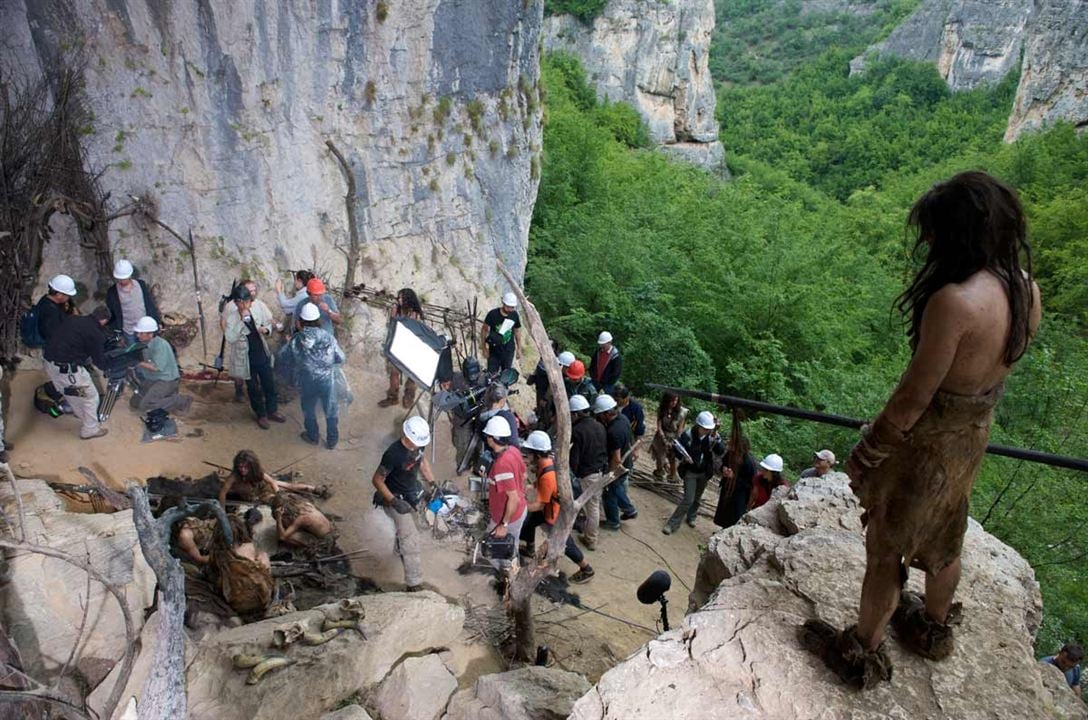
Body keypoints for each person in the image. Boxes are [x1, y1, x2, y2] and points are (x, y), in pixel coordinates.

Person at [801, 171, 1042, 690]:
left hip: (926, 444)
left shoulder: (956, 302)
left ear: (958, 234)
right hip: (972, 435)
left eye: (934, 232)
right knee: (946, 534)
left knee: (887, 547)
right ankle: (932, 626)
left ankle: (861, 648)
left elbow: (916, 395)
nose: (927, 242)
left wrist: (869, 449)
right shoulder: (1026, 290)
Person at [519, 431, 595, 583]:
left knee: (564, 543)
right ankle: (530, 547)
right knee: (528, 522)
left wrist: (520, 506)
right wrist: (530, 486)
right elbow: (541, 483)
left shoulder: (547, 474)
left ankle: (586, 568)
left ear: (537, 454)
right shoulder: (546, 462)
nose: (527, 456)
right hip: (550, 506)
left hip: (554, 513)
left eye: (529, 453)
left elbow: (539, 505)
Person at [372, 416, 435, 591]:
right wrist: (393, 501)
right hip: (392, 497)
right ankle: (414, 583)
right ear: (407, 436)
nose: (418, 446)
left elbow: (422, 462)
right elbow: (377, 480)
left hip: (410, 493)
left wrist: (432, 483)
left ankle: (398, 551)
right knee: (410, 537)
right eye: (415, 442)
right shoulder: (393, 454)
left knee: (414, 527)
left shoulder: (418, 445)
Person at [43, 306, 112, 440]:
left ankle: (84, 417)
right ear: (104, 321)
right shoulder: (95, 333)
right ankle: (90, 430)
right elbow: (99, 361)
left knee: (71, 393)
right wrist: (109, 365)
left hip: (50, 364)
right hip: (69, 371)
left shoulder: (73, 319)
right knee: (91, 397)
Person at [283, 302, 345, 449]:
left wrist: (289, 344)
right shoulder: (328, 337)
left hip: (307, 381)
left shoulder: (297, 340)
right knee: (330, 408)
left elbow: (284, 357)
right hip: (326, 380)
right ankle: (332, 440)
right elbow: (341, 357)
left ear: (301, 320)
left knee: (308, 409)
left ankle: (313, 436)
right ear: (318, 320)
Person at [225, 286, 285, 429]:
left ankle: (272, 410)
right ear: (238, 302)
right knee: (253, 388)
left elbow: (269, 322)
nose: (250, 304)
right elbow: (230, 337)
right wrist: (241, 321)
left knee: (269, 384)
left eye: (249, 301)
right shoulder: (232, 317)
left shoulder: (256, 309)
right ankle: (261, 414)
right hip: (245, 358)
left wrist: (265, 329)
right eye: (246, 302)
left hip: (261, 353)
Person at [662, 411, 724, 534]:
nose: (706, 431)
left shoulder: (712, 437)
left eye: (708, 429)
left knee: (697, 498)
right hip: (690, 471)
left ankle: (692, 516)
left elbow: (720, 451)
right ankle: (672, 523)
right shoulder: (688, 435)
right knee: (688, 499)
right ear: (698, 426)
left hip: (704, 471)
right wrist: (683, 457)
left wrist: (717, 439)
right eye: (704, 429)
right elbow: (677, 448)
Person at [482, 416, 528, 562]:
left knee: (498, 553)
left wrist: (503, 524)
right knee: (510, 547)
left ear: (491, 438)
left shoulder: (502, 464)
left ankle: (508, 578)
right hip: (519, 509)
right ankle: (512, 572)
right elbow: (524, 475)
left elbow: (512, 498)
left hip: (508, 516)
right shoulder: (513, 450)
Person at [34, 274, 79, 411]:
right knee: (68, 379)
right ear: (58, 294)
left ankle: (53, 393)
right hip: (56, 353)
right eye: (66, 295)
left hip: (52, 350)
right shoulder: (50, 311)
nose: (68, 298)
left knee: (65, 378)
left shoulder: (47, 302)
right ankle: (65, 405)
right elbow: (56, 335)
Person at [569, 394, 608, 551]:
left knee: (589, 506)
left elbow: (575, 458)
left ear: (576, 413)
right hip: (599, 469)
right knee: (594, 505)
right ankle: (589, 535)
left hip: (587, 473)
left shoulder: (578, 430)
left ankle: (591, 538)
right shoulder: (599, 426)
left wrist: (574, 473)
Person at [131, 316, 191, 414]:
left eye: (141, 333)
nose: (138, 335)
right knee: (135, 403)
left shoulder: (160, 345)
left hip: (166, 380)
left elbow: (156, 367)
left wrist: (138, 363)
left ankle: (181, 400)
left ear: (150, 334)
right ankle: (167, 397)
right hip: (152, 378)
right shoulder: (144, 343)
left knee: (146, 406)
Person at [218, 449, 320, 507]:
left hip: (264, 487)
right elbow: (223, 493)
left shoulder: (257, 472)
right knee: (273, 501)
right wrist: (222, 510)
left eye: (246, 467)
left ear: (252, 466)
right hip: (256, 497)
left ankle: (314, 488)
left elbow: (271, 482)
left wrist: (279, 495)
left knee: (289, 486)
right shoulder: (234, 476)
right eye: (240, 467)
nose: (243, 470)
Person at [595, 394, 638, 530]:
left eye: (601, 414)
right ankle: (628, 510)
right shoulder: (623, 419)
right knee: (617, 489)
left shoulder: (613, 431)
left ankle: (614, 522)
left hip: (618, 466)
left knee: (610, 493)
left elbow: (616, 457)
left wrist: (610, 475)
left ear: (607, 413)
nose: (600, 417)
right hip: (626, 464)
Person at [379, 288, 424, 408]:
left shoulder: (415, 314)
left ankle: (409, 395)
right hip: (397, 345)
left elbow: (416, 332)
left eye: (401, 298)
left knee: (412, 376)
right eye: (398, 297)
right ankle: (392, 397)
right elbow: (392, 326)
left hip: (411, 347)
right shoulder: (396, 310)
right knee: (394, 373)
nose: (398, 300)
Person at [106, 259, 161, 344]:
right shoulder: (112, 293)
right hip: (129, 331)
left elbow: (150, 305)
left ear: (130, 275)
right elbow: (112, 315)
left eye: (124, 278)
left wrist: (157, 322)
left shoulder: (141, 285)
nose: (122, 280)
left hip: (145, 329)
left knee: (149, 351)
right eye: (120, 278)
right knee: (134, 354)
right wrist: (118, 334)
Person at [714, 430, 757, 529]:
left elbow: (750, 484)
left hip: (739, 494)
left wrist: (734, 478)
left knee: (734, 515)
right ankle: (722, 530)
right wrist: (723, 469)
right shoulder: (730, 454)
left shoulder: (749, 463)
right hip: (727, 488)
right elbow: (723, 464)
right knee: (724, 511)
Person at [651, 392, 688, 481]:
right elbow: (659, 426)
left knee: (674, 459)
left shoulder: (681, 412)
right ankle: (659, 473)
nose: (674, 402)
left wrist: (675, 441)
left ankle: (672, 476)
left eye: (676, 400)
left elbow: (680, 429)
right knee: (660, 457)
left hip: (674, 437)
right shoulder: (662, 410)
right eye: (672, 400)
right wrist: (664, 439)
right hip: (662, 435)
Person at [481, 292, 521, 373]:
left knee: (505, 376)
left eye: (512, 307)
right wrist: (484, 348)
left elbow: (517, 331)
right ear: (503, 303)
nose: (510, 309)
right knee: (491, 375)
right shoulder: (493, 314)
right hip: (494, 351)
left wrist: (519, 348)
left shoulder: (514, 315)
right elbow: (484, 330)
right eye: (508, 307)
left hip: (508, 351)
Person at [615, 384, 645, 454]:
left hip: (627, 437)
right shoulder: (611, 403)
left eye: (618, 400)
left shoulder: (636, 409)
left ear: (626, 398)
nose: (615, 402)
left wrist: (636, 449)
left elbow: (639, 430)